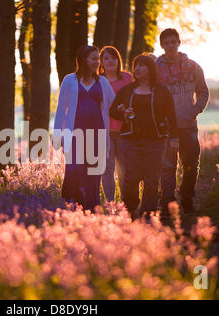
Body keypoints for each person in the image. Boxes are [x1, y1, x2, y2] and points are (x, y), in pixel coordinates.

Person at [109, 53, 178, 216]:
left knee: (152, 179)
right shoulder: (127, 91)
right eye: (136, 65)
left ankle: (148, 215)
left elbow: (172, 117)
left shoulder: (161, 91)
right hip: (130, 140)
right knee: (131, 177)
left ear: (150, 69)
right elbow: (112, 111)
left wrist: (175, 139)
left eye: (142, 65)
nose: (137, 68)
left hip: (155, 141)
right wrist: (123, 113)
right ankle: (131, 208)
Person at [53, 45, 115, 211]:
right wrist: (57, 135)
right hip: (75, 135)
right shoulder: (69, 80)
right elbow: (61, 109)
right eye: (93, 58)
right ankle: (69, 207)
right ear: (83, 60)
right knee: (73, 171)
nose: (97, 62)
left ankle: (92, 211)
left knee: (93, 177)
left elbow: (115, 104)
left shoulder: (102, 82)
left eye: (98, 59)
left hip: (97, 135)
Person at [156, 28, 210, 215]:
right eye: (166, 43)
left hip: (188, 125)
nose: (170, 45)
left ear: (179, 43)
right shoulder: (155, 68)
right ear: (162, 45)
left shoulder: (193, 66)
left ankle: (186, 197)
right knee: (167, 166)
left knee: (191, 164)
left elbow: (203, 91)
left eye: (173, 42)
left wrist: (195, 110)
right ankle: (167, 201)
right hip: (165, 127)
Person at [99, 46, 133, 202]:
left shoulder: (127, 78)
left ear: (118, 60)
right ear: (101, 62)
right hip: (104, 131)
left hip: (124, 131)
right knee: (107, 169)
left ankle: (127, 204)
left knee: (125, 170)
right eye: (106, 58)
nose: (110, 61)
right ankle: (111, 204)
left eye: (113, 57)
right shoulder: (97, 80)